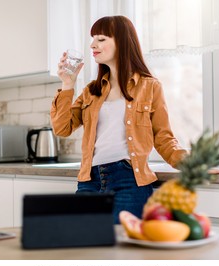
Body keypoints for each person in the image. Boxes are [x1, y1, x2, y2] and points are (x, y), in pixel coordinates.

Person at [50, 15, 187, 224]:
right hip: (89, 181)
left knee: (121, 253)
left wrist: (193, 164)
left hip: (128, 181)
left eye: (101, 39)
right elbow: (62, 128)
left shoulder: (150, 86)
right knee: (84, 249)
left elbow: (163, 137)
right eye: (93, 38)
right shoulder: (91, 91)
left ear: (122, 42)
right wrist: (68, 84)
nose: (93, 44)